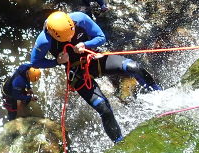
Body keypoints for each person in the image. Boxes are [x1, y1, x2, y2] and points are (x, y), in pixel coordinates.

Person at [30, 11, 162, 144]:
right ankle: (119, 142)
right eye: (66, 39)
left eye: (71, 35)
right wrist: (57, 61)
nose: (70, 40)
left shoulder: (80, 19)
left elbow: (101, 37)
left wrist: (86, 45)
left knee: (134, 67)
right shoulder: (44, 41)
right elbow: (35, 62)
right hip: (77, 72)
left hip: (94, 58)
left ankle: (158, 94)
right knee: (104, 108)